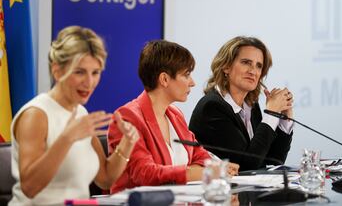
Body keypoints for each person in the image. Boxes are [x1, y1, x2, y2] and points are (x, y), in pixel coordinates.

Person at [9, 26, 139, 205]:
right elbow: (29, 188)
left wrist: (127, 142)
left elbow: (106, 178)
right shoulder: (36, 115)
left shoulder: (80, 112)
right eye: (79, 72)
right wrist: (67, 138)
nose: (89, 82)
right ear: (57, 71)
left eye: (95, 73)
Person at [108, 40, 238, 193]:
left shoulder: (175, 114)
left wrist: (211, 168)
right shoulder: (128, 118)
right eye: (186, 75)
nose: (192, 83)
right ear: (164, 79)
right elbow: (144, 174)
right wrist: (196, 173)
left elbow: (200, 155)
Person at [189, 36, 294, 171]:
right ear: (226, 66)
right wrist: (271, 114)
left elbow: (273, 160)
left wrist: (285, 119)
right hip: (220, 189)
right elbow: (246, 166)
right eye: (246, 62)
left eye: (258, 66)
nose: (253, 71)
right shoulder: (212, 107)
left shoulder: (251, 105)